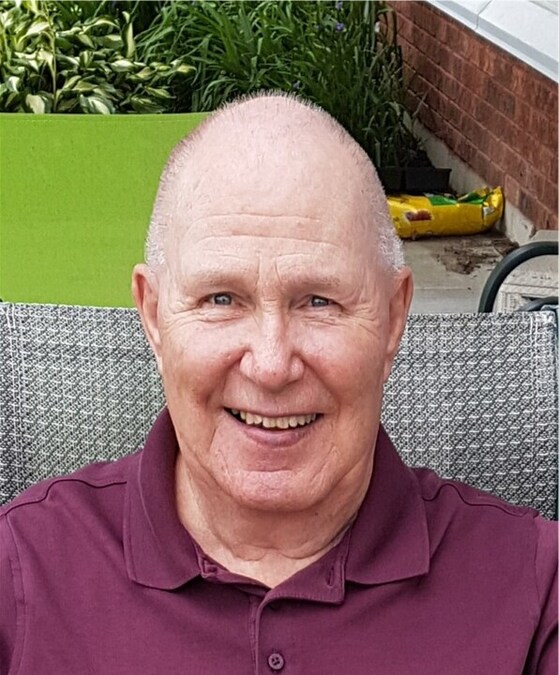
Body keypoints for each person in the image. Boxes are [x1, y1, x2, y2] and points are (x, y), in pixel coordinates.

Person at [0, 94, 556, 674]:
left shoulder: (533, 591)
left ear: (393, 319)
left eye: (318, 301)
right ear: (155, 317)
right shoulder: (23, 574)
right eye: (221, 299)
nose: (270, 365)